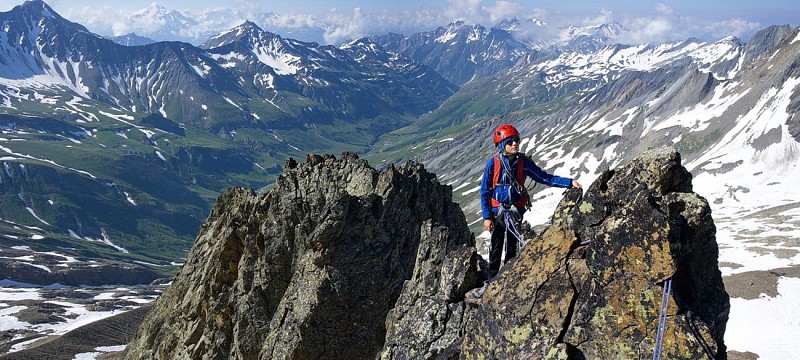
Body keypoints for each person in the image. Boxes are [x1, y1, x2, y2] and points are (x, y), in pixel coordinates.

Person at [471, 124, 582, 299]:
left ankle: (506, 283)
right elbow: (485, 191)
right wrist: (487, 217)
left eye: (516, 140)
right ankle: (490, 284)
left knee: (511, 248)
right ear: (502, 145)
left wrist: (568, 182)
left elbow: (544, 177)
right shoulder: (493, 163)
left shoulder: (523, 163)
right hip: (497, 213)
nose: (515, 144)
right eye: (510, 142)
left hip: (514, 212)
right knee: (496, 248)